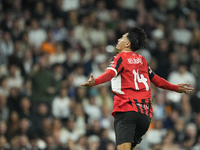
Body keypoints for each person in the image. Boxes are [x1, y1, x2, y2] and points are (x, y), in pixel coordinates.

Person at [81, 27, 194, 150]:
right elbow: (157, 80)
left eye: (122, 37)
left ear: (128, 43)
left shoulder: (120, 57)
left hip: (126, 110)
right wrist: (175, 87)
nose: (119, 39)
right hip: (145, 116)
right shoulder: (142, 60)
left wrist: (95, 81)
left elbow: (110, 73)